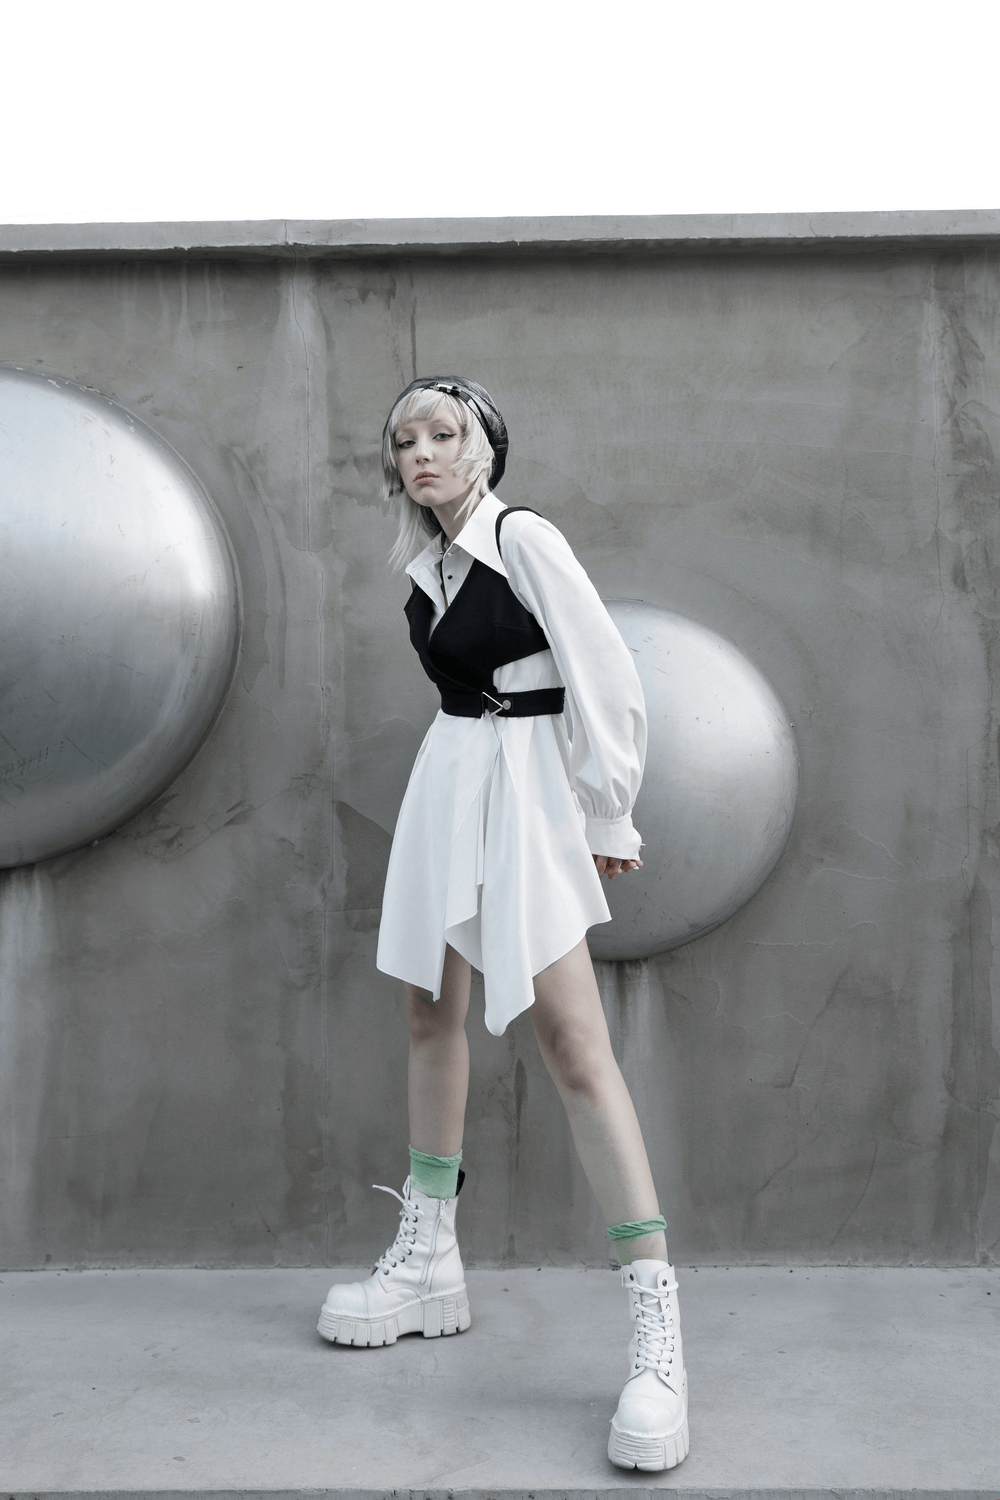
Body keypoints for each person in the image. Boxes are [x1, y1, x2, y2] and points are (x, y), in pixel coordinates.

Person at [318, 376, 688, 1472]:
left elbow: (600, 670)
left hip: (525, 792)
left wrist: (605, 805)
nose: (423, 452)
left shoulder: (521, 536)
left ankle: (656, 1324)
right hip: (450, 780)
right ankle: (430, 1256)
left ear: (485, 447)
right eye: (405, 440)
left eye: (445, 433)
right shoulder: (425, 560)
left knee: (575, 1046)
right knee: (429, 1012)